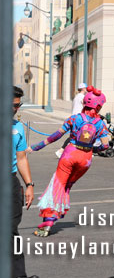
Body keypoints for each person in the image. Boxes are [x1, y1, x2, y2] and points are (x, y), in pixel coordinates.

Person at [31, 86, 111, 237]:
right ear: (99, 106)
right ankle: (58, 212)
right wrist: (94, 150)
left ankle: (49, 220)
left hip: (70, 153)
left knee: (57, 185)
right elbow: (106, 145)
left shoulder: (74, 118)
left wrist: (37, 146)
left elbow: (57, 135)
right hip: (86, 159)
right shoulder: (100, 124)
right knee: (67, 186)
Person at [11, 86, 34, 278]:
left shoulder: (17, 127)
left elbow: (21, 159)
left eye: (18, 106)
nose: (14, 109)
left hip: (10, 184)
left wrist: (29, 185)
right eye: (11, 105)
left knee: (11, 231)